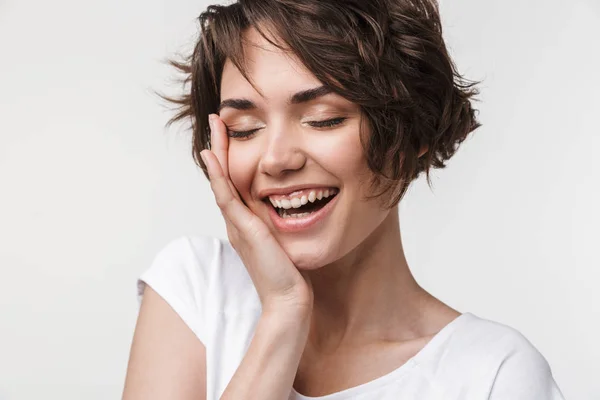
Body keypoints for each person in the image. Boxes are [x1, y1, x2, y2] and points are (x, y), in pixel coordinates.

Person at [123, 0, 566, 399]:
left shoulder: (493, 374)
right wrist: (282, 317)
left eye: (323, 119)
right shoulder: (197, 289)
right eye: (244, 129)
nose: (276, 159)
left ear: (413, 134)